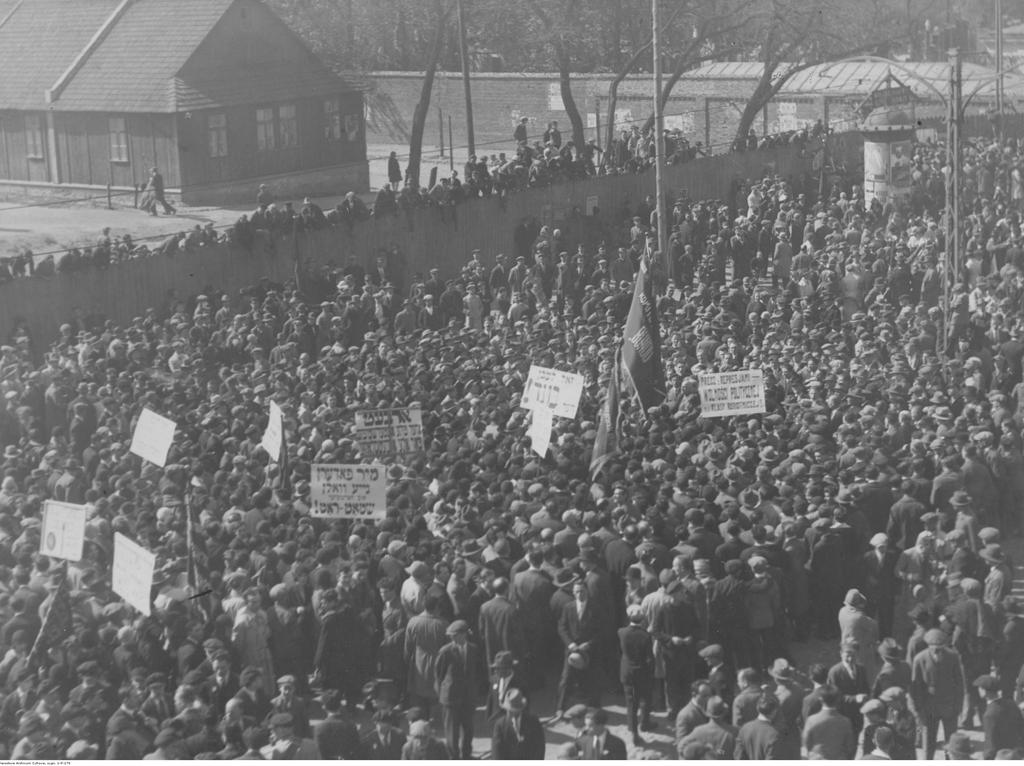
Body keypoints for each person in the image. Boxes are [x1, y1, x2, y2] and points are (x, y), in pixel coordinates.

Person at [910, 628, 966, 760]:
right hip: (929, 708)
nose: (937, 651)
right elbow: (915, 688)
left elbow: (959, 684)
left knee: (950, 741)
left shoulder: (953, 657)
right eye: (934, 648)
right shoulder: (920, 659)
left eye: (940, 648)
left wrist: (958, 707)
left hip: (949, 706)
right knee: (928, 741)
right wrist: (918, 710)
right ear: (928, 646)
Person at [433, 619, 478, 759]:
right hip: (450, 698)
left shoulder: (473, 649)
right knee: (452, 733)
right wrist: (442, 693)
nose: (452, 638)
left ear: (464, 634)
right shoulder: (445, 651)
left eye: (455, 635)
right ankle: (453, 758)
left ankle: (466, 755)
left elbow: (477, 672)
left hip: (468, 697)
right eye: (451, 635)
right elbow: (438, 675)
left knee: (469, 730)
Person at [618, 604, 654, 745]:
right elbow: (650, 658)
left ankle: (633, 731)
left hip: (627, 672)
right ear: (642, 618)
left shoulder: (621, 632)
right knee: (645, 698)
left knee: (631, 703)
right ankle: (645, 723)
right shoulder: (645, 636)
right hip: (642, 672)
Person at [802, 684, 856, 760]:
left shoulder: (811, 720)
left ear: (821, 699)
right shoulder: (846, 721)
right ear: (838, 700)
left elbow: (806, 744)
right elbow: (850, 746)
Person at [977, 674, 1024, 759]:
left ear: (984, 691)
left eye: (979, 688)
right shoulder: (1011, 704)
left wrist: (987, 758)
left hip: (1002, 756)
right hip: (1017, 754)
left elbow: (990, 744)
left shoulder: (989, 715)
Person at [490, 689, 545, 760]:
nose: (510, 714)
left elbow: (539, 749)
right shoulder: (500, 725)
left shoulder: (533, 722)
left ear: (520, 709)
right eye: (509, 711)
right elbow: (496, 752)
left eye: (514, 711)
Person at [734, 693, 781, 760]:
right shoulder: (774, 734)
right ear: (774, 711)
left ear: (757, 708)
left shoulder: (744, 729)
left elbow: (738, 756)